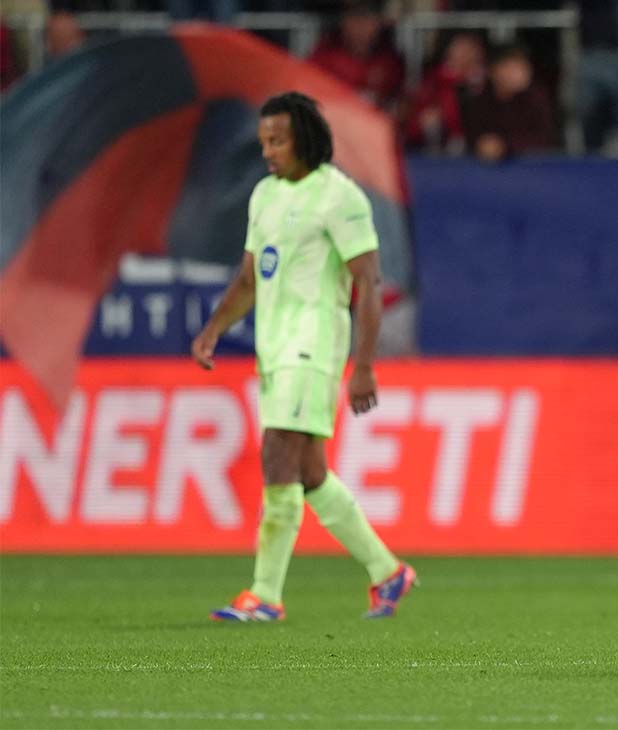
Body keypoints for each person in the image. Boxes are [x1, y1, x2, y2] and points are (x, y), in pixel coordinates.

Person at [192, 92, 416, 622]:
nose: (268, 151)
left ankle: (265, 595)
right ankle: (388, 572)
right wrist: (213, 330)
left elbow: (368, 279)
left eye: (279, 140)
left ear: (306, 140)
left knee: (276, 454)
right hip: (274, 347)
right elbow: (250, 277)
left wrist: (363, 365)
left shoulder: (340, 197)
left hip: (314, 343)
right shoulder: (264, 195)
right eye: (264, 140)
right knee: (310, 471)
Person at [461, 45, 558, 162]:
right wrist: (483, 145)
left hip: (533, 168)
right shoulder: (480, 100)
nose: (521, 73)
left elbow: (547, 138)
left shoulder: (537, 97)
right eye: (512, 67)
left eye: (524, 67)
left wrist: (504, 146)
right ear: (494, 70)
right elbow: (470, 137)